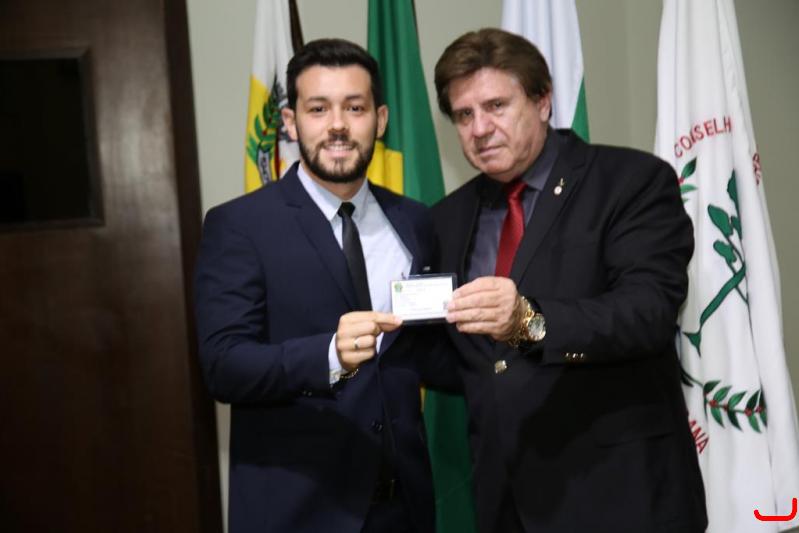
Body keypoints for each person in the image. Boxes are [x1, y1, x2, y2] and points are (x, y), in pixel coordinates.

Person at [431, 28, 708, 533]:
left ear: (543, 101)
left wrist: (527, 322)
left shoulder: (630, 181)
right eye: (464, 115)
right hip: (505, 502)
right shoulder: (447, 218)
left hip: (620, 496)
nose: (480, 128)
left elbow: (646, 313)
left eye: (496, 106)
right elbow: (464, 360)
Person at [193, 38, 459, 533]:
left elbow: (422, 355)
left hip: (404, 509)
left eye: (354, 107)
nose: (338, 124)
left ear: (380, 120)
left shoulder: (414, 221)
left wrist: (505, 336)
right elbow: (224, 366)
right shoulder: (240, 225)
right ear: (291, 122)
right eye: (318, 108)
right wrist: (328, 355)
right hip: (299, 512)